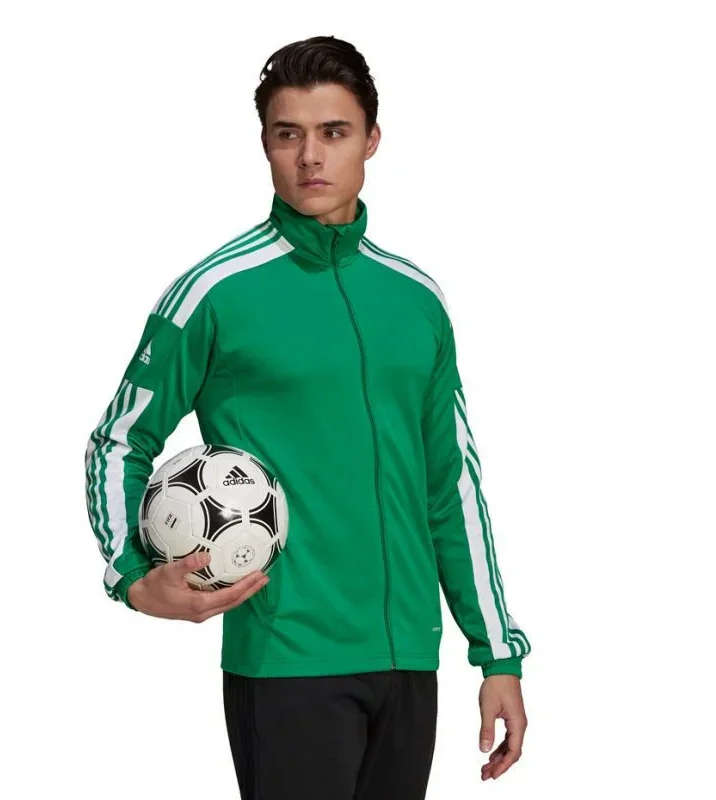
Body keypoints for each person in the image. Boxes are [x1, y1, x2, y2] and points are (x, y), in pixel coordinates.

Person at [84, 34, 531, 799]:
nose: (310, 157)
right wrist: (131, 575)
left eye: (334, 132)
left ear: (372, 140)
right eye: (288, 134)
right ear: (265, 143)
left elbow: (450, 486)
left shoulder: (416, 298)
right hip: (285, 657)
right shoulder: (215, 291)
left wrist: (497, 654)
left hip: (406, 661)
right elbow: (119, 440)